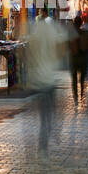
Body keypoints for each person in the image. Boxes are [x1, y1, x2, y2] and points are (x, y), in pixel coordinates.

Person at [24, 17, 65, 152]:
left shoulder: (34, 39)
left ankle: (42, 144)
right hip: (49, 80)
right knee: (49, 113)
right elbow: (60, 52)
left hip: (38, 81)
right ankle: (48, 138)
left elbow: (28, 57)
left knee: (43, 114)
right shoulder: (52, 36)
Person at [69, 16, 88, 101]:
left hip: (73, 58)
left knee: (74, 79)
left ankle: (75, 96)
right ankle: (82, 92)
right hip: (83, 58)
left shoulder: (71, 34)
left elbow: (68, 46)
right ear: (81, 23)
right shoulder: (85, 33)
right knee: (82, 78)